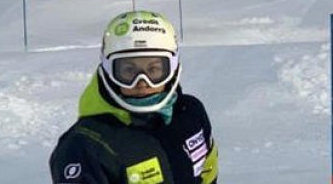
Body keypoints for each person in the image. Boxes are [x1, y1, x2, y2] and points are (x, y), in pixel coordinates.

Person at [49, 11, 218, 184]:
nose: (142, 82)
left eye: (154, 70)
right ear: (109, 71)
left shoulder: (189, 114)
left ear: (172, 69)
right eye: (129, 71)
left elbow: (207, 169)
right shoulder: (86, 145)